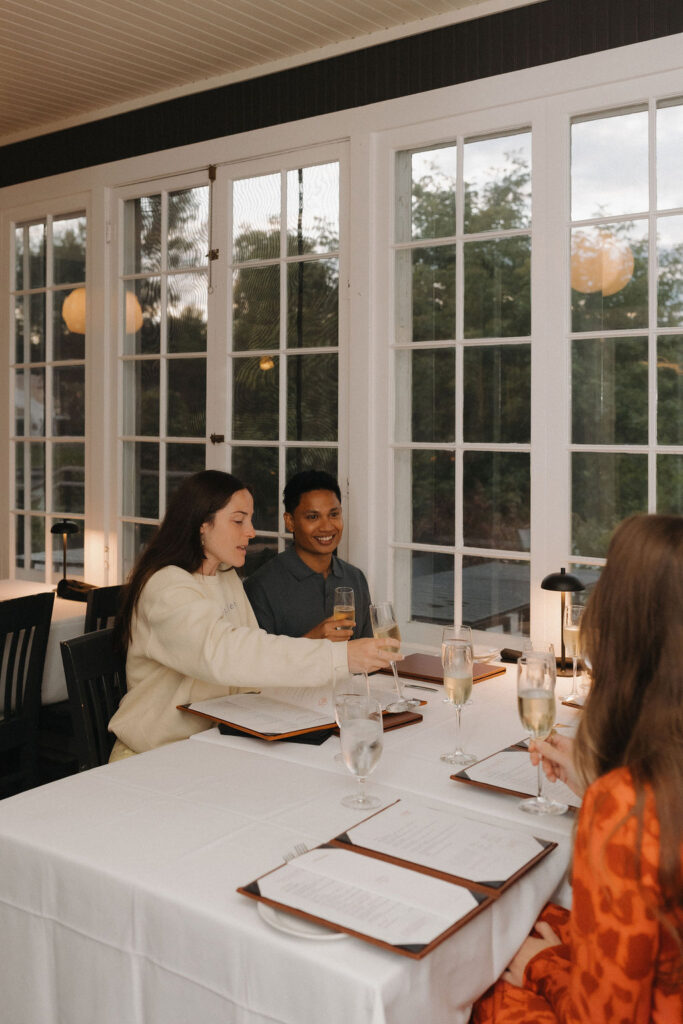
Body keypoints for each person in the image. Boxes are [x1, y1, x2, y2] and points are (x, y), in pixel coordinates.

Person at [472, 513, 683, 1023]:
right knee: (530, 916)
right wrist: (596, 782)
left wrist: (542, 967)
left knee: (476, 978)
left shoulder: (626, 807)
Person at [108, 470, 398, 758]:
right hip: (154, 755)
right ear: (202, 524)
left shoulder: (224, 576)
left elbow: (251, 660)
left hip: (215, 744)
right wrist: (339, 656)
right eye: (238, 520)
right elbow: (226, 652)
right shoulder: (166, 586)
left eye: (250, 519)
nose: (251, 531)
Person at [244, 469, 373, 641]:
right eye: (313, 517)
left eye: (334, 514)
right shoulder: (260, 587)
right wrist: (313, 641)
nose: (327, 527)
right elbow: (257, 663)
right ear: (290, 522)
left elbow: (368, 652)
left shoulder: (356, 578)